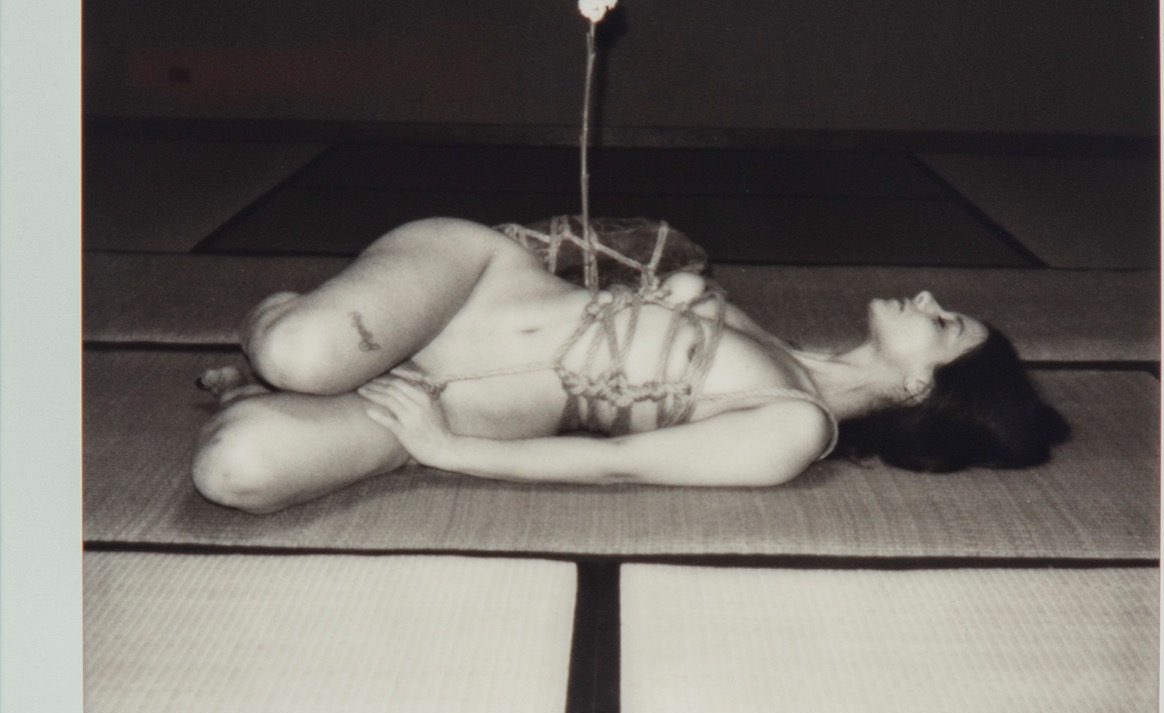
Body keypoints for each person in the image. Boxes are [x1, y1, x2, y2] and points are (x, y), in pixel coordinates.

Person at [191, 217, 1068, 514]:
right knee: (299, 354)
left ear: (920, 387)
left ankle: (316, 362)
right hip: (473, 286)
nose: (927, 298)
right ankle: (274, 318)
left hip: (447, 406)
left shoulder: (795, 428)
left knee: (236, 469)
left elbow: (620, 463)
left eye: (943, 324)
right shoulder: (781, 348)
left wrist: (447, 449)